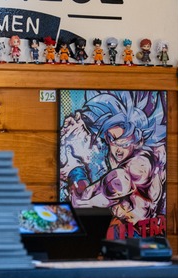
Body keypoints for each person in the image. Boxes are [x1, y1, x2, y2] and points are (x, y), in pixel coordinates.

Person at [59, 91, 167, 239]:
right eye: (111, 138)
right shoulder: (154, 156)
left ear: (137, 138)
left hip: (136, 236)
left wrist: (74, 170)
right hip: (141, 234)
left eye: (124, 140)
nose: (117, 148)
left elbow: (81, 201)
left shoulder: (133, 170)